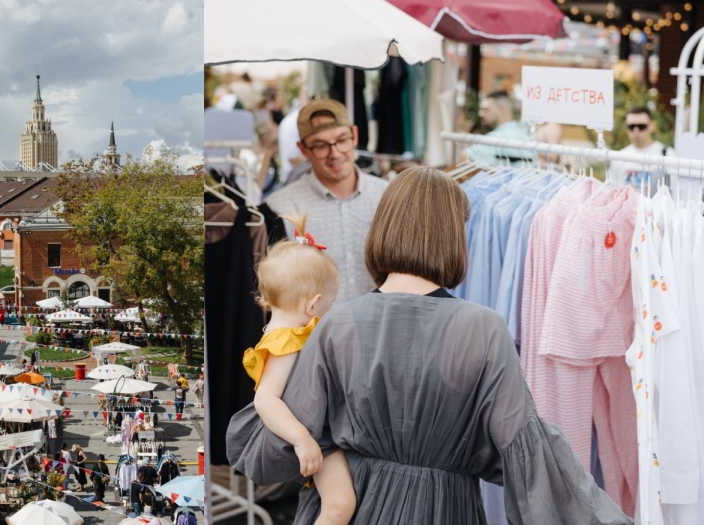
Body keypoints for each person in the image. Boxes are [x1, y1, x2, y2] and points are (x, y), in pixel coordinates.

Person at [226, 167, 632, 524]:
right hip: (445, 506)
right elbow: (523, 449)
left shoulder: (337, 325)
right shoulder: (484, 329)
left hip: (352, 503)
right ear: (454, 234)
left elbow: (277, 440)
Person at [240, 213, 351, 525]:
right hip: (315, 436)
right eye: (330, 305)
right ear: (313, 305)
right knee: (339, 505)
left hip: (319, 432)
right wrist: (303, 441)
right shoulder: (286, 342)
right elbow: (266, 399)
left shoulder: (289, 336)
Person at [264, 99, 389, 303]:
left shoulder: (388, 197)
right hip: (316, 333)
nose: (335, 153)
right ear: (303, 149)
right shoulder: (279, 208)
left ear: (355, 135)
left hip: (381, 328)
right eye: (321, 145)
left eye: (342, 140)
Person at [465, 91, 537, 167]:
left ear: (502, 110)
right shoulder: (524, 134)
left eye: (486, 110)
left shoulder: (495, 138)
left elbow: (462, 158)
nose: (480, 114)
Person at [609, 106, 671, 188]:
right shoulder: (618, 157)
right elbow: (613, 190)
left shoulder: (667, 153)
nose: (636, 131)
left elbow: (675, 191)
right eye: (631, 127)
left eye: (641, 126)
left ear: (652, 126)